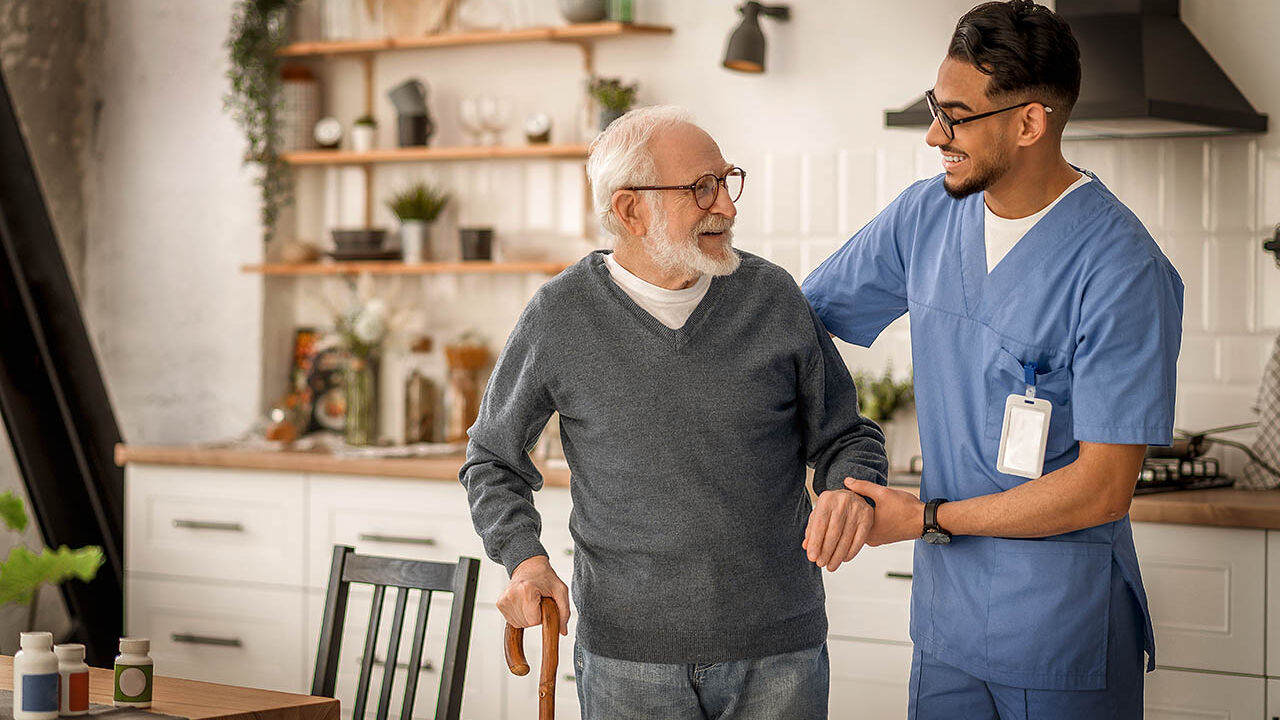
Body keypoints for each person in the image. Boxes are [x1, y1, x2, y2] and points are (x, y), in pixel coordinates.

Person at [801, 2, 1183, 718]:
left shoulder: (1122, 267)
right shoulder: (924, 217)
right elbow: (797, 326)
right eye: (934, 109)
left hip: (1060, 632)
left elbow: (1103, 489)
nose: (934, 135)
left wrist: (928, 517)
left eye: (956, 117)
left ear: (1029, 123)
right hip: (947, 626)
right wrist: (838, 460)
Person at [460, 105, 888, 720]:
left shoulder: (772, 297)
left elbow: (847, 435)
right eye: (701, 188)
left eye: (727, 181)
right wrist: (524, 558)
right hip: (627, 659)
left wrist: (849, 488)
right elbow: (492, 458)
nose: (728, 207)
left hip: (780, 651)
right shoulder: (559, 315)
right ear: (630, 210)